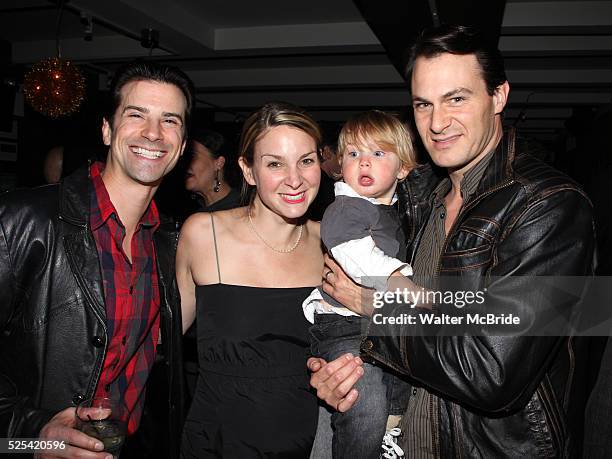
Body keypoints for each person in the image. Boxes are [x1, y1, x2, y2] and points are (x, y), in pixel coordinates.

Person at [309, 24, 595, 458]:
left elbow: (492, 371)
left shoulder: (549, 205)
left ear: (498, 97)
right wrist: (343, 373)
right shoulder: (419, 197)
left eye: (456, 98)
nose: (437, 123)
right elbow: (436, 320)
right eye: (423, 104)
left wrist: (375, 308)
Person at [0, 61, 194, 459]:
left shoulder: (167, 244)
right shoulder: (23, 219)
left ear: (183, 143)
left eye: (170, 121)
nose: (153, 133)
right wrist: (33, 435)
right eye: (136, 115)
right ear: (107, 130)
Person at [177, 101, 323, 458]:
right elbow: (155, 343)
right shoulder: (204, 234)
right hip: (219, 442)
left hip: (313, 442)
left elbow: (388, 333)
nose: (295, 179)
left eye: (306, 161)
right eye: (275, 163)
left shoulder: (335, 244)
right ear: (248, 170)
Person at [303, 110, 416, 459]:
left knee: (393, 388)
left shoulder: (396, 211)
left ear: (403, 168)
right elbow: (360, 259)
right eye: (353, 154)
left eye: (377, 153)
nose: (364, 163)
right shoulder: (346, 208)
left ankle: (388, 432)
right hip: (341, 324)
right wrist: (404, 285)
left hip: (372, 322)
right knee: (362, 401)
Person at [184, 127, 242, 212]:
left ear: (219, 163)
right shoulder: (194, 212)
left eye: (193, 156)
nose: (185, 163)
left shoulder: (241, 211)